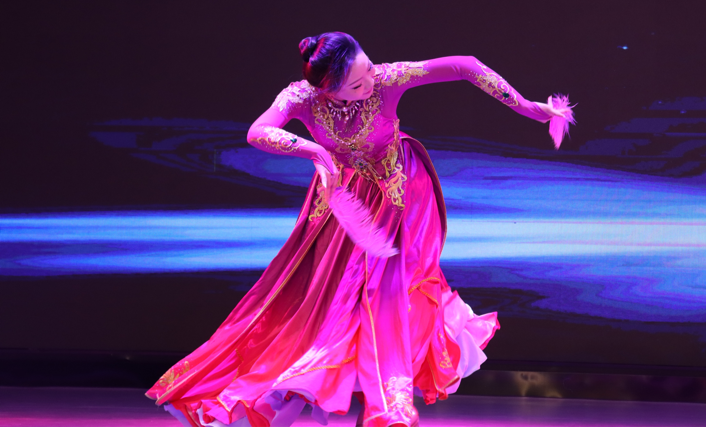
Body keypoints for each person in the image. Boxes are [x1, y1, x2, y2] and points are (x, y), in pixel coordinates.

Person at [146, 32, 573, 427]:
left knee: (387, 291)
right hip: (343, 199)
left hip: (399, 193)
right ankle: (306, 384)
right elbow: (258, 132)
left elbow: (466, 65)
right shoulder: (301, 98)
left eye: (368, 68)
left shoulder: (386, 80)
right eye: (356, 83)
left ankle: (384, 401)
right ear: (327, 91)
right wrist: (314, 151)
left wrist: (528, 107)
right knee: (323, 297)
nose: (370, 81)